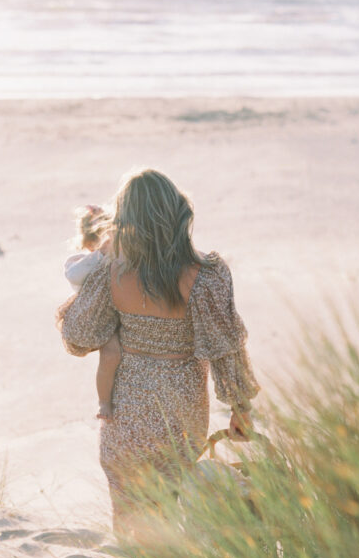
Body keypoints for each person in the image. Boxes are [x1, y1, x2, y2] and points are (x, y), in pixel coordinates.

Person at [56, 169, 259, 529]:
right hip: (179, 409)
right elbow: (226, 350)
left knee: (130, 509)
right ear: (179, 213)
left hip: (126, 411)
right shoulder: (206, 276)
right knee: (171, 504)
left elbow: (79, 337)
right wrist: (240, 407)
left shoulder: (111, 271)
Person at [63, 205, 122, 421]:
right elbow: (74, 276)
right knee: (111, 353)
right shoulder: (80, 263)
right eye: (101, 239)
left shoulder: (120, 256)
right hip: (100, 320)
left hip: (123, 313)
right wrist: (101, 253)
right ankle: (104, 401)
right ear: (89, 244)